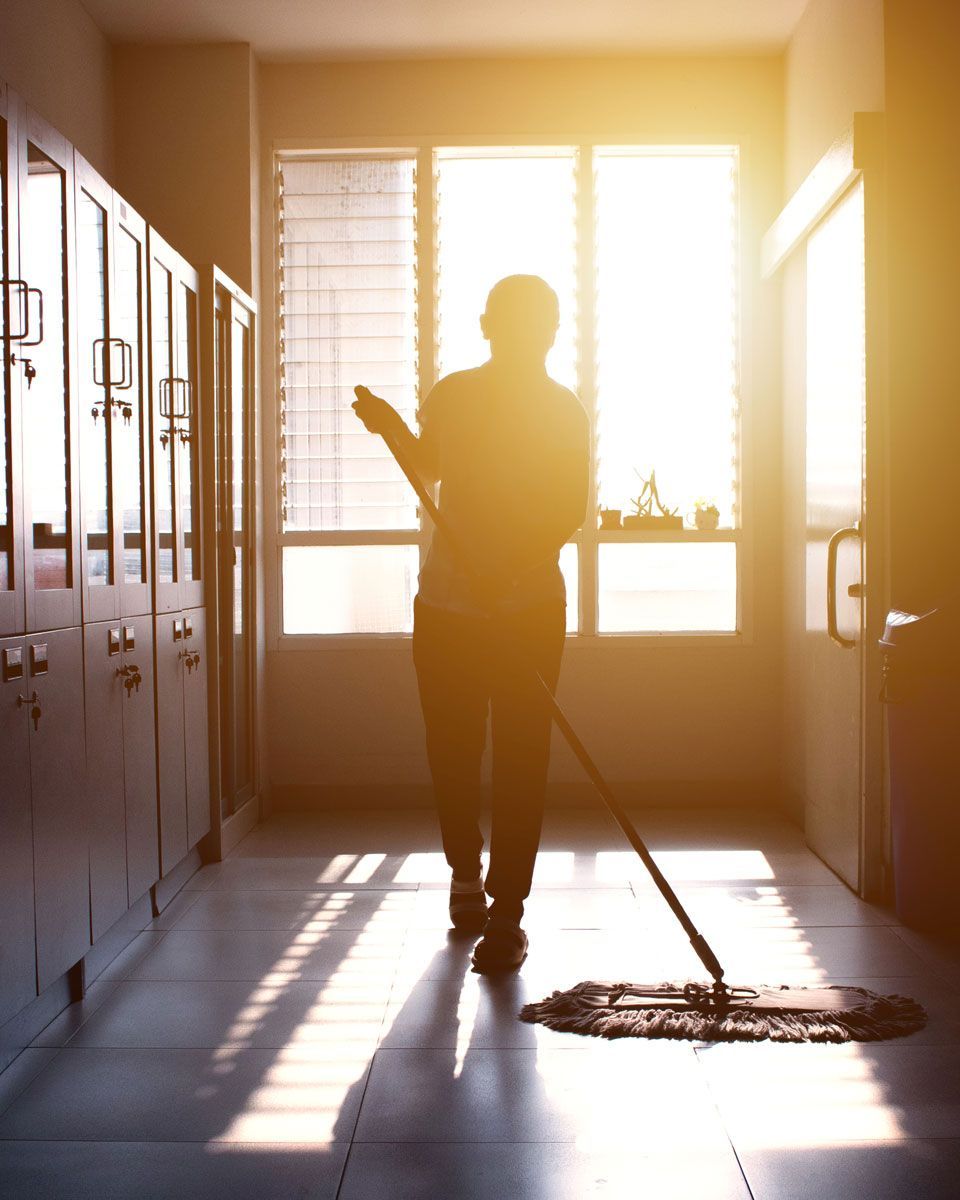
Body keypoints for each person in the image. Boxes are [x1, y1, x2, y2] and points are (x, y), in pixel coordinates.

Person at [353, 274, 589, 971]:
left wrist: (511, 567)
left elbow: (565, 507)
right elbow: (430, 466)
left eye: (536, 322)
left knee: (523, 757)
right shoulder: (455, 394)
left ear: (553, 330)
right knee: (452, 749)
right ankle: (466, 876)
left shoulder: (561, 410)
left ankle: (508, 914)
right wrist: (393, 425)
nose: (524, 334)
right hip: (449, 607)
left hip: (530, 608)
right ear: (487, 326)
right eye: (511, 322)